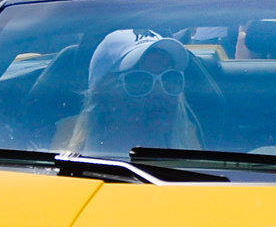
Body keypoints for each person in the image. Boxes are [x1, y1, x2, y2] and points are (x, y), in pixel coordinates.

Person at [67, 30, 203, 157]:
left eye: (170, 79)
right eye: (139, 80)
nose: (160, 92)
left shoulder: (192, 145)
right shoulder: (58, 151)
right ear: (102, 95)